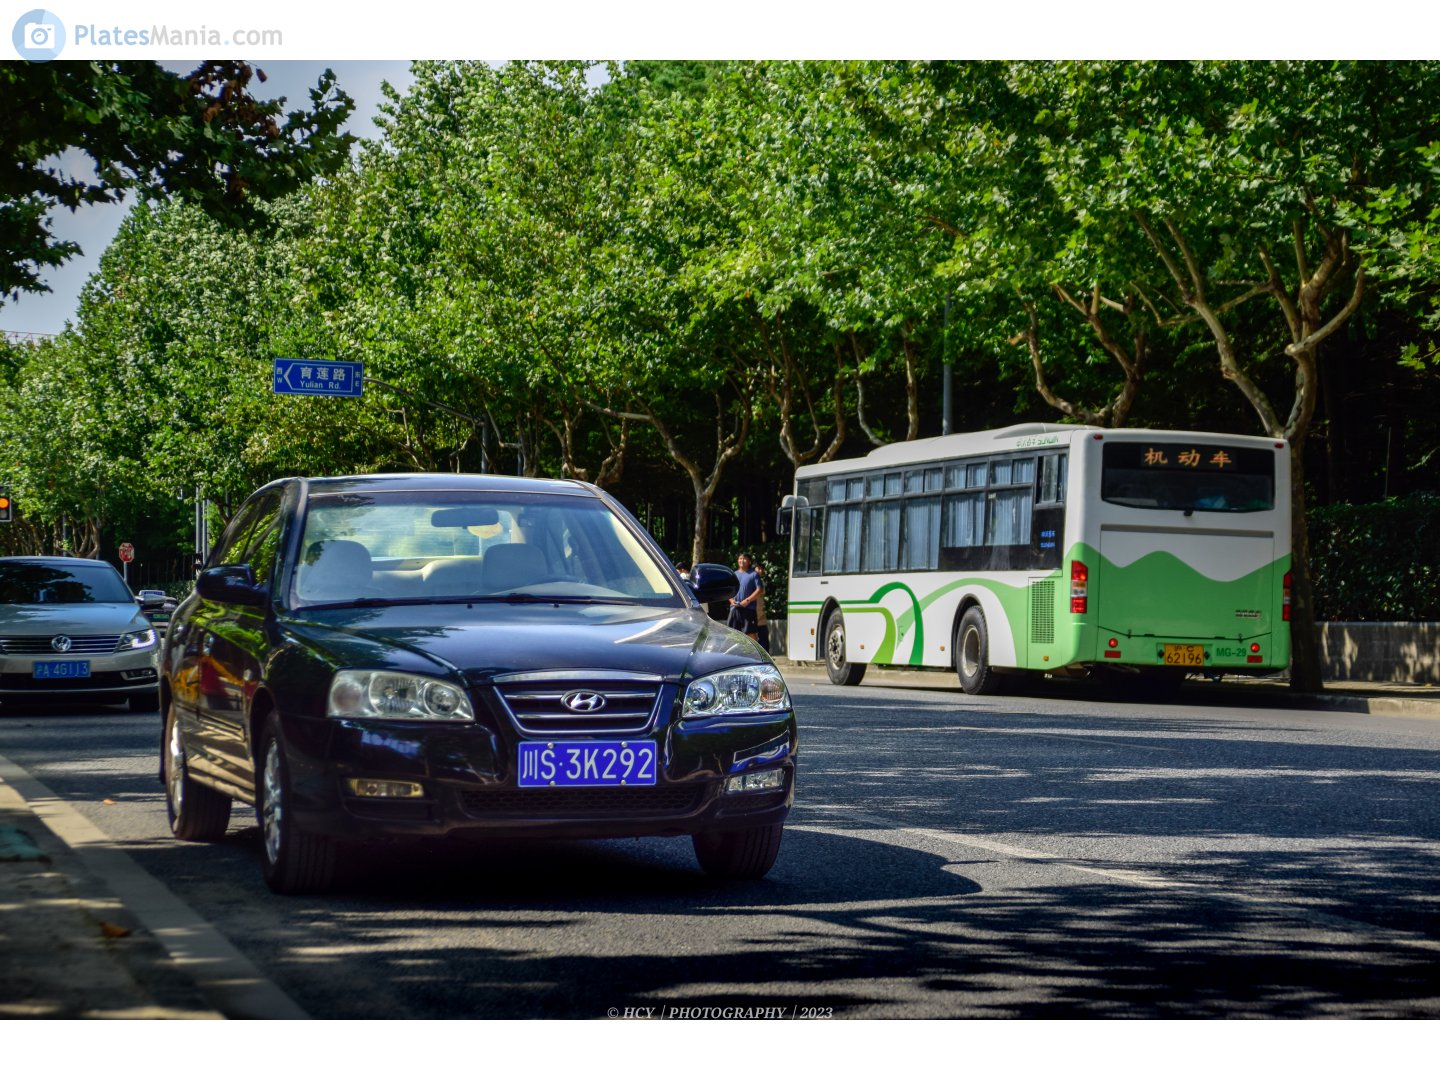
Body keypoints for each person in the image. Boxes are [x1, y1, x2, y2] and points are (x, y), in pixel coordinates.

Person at [726, 551, 762, 641]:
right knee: (732, 633)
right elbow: (728, 590)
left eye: (745, 558)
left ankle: (755, 655)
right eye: (740, 558)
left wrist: (747, 601)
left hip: (749, 610)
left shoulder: (754, 574)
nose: (742, 560)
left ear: (749, 561)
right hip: (734, 609)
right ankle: (734, 655)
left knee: (751, 634)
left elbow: (759, 590)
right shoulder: (734, 574)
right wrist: (731, 600)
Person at [753, 560, 771, 652]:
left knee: (764, 640)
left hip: (761, 616)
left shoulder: (761, 582)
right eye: (758, 568)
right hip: (751, 615)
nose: (760, 571)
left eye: (761, 569)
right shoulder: (750, 580)